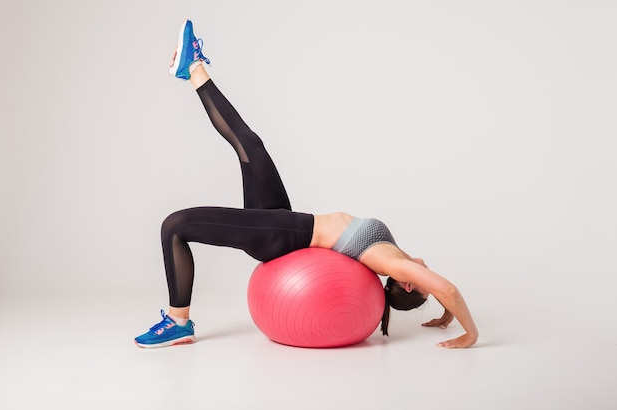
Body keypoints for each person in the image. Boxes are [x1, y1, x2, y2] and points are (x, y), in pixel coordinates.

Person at [134, 20, 478, 349]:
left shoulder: (391, 262)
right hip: (288, 221)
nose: (430, 275)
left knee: (175, 226)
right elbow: (443, 293)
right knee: (251, 146)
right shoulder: (395, 252)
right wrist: (446, 316)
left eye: (424, 288)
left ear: (405, 283)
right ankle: (192, 67)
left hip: (283, 236)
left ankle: (179, 323)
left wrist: (470, 334)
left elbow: (447, 290)